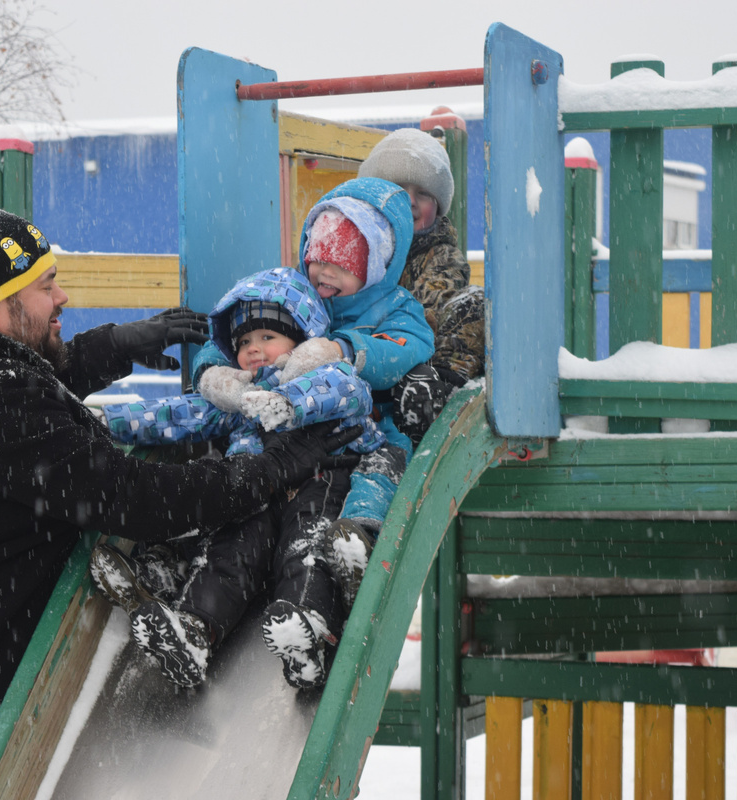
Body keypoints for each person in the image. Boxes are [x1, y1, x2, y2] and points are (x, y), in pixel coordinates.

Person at [0, 204, 360, 798]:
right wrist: (270, 470)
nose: (61, 297)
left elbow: (19, 372)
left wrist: (116, 346)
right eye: (44, 287)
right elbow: (135, 496)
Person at [92, 266, 386, 689]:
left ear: (303, 339)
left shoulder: (325, 373)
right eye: (244, 341)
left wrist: (287, 402)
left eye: (268, 337)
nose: (253, 349)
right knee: (229, 552)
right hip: (258, 489)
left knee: (304, 549)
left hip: (319, 481)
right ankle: (195, 630)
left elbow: (346, 392)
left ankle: (309, 631)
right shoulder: (239, 396)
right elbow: (179, 413)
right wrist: (110, 421)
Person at [194, 177, 436, 610]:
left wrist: (344, 348)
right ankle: (196, 560)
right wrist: (213, 371)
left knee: (382, 467)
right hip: (291, 434)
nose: (323, 272)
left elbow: (409, 345)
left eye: (341, 263)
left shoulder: (394, 307)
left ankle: (359, 539)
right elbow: (240, 328)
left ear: (377, 264)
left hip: (364, 431)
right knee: (239, 488)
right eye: (315, 258)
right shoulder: (299, 293)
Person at [357, 126, 487, 445]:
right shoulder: (360, 247)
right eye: (398, 189)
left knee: (473, 304)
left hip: (415, 362)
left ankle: (435, 397)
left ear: (438, 207)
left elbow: (424, 316)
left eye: (424, 194)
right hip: (364, 362)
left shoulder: (440, 256)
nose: (411, 202)